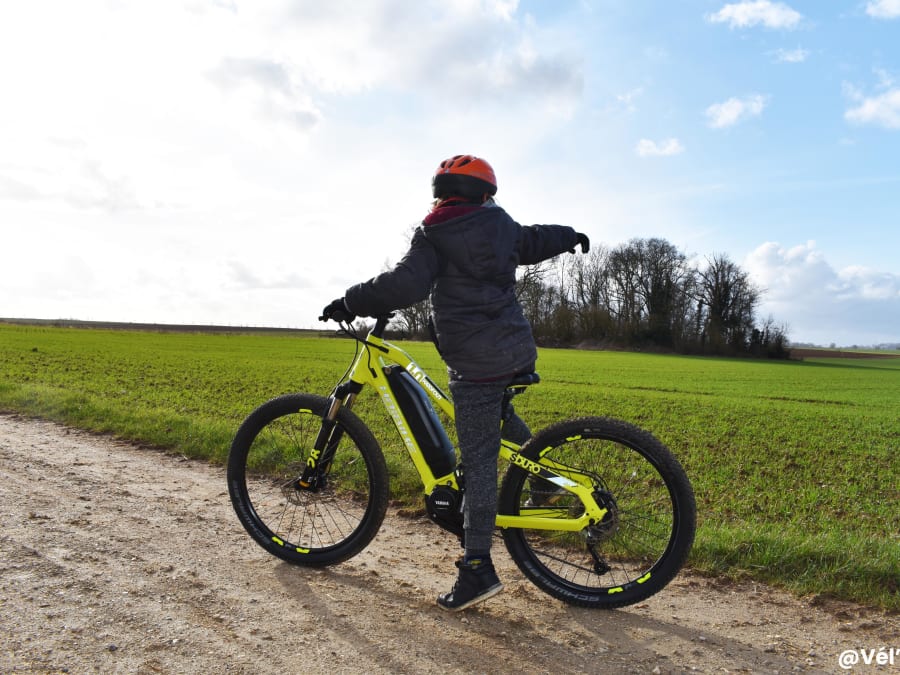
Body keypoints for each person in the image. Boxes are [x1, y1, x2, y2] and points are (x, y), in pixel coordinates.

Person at [320, 154, 589, 611]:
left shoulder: (434, 233)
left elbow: (406, 284)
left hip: (475, 359)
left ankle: (477, 569)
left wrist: (350, 300)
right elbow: (534, 240)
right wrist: (570, 237)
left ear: (442, 193)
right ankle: (546, 483)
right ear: (485, 193)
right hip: (514, 348)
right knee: (496, 418)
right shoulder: (500, 226)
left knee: (480, 460)